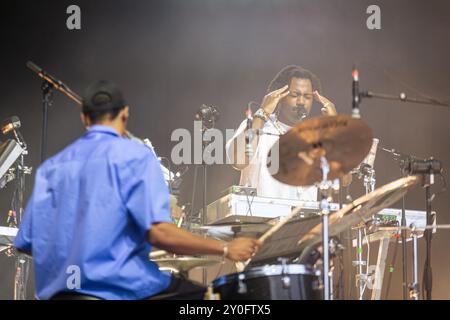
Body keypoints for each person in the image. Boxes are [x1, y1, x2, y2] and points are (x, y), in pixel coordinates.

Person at [13, 80, 261, 300]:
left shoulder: (52, 168)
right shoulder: (137, 157)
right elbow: (160, 234)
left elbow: (26, 243)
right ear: (125, 113)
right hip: (122, 289)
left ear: (84, 118)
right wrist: (226, 249)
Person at [226, 65, 338, 200]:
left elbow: (344, 180)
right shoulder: (258, 124)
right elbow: (238, 161)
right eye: (295, 95)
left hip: (302, 220)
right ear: (279, 96)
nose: (301, 102)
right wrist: (263, 112)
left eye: (307, 97)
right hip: (260, 218)